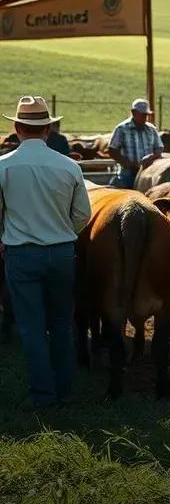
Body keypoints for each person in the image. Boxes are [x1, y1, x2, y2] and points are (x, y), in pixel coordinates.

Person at [0, 96, 91, 407]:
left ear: (16, 127)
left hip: (21, 254)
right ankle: (64, 390)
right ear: (48, 129)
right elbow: (81, 216)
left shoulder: (4, 167)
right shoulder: (69, 166)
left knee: (31, 326)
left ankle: (43, 393)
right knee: (62, 323)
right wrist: (63, 234)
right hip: (62, 253)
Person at [108, 98, 162, 189]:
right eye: (143, 114)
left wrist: (152, 157)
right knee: (126, 193)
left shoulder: (151, 129)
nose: (145, 117)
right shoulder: (122, 128)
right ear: (133, 112)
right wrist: (127, 163)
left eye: (146, 115)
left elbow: (159, 147)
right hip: (128, 171)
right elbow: (112, 149)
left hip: (148, 170)